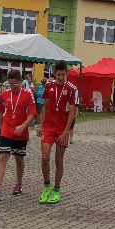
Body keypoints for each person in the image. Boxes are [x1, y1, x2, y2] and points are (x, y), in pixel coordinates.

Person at [0, 69, 37, 200]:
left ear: (21, 81)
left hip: (21, 132)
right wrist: (2, 126)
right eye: (10, 84)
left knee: (19, 159)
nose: (12, 87)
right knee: (3, 157)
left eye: (15, 84)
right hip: (7, 131)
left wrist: (23, 126)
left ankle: (18, 184)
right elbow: (0, 111)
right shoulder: (4, 95)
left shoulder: (28, 94)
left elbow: (32, 113)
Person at [36, 60, 79, 204]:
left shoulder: (72, 88)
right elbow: (44, 106)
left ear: (66, 74)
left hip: (62, 129)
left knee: (58, 160)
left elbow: (72, 112)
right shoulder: (49, 85)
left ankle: (56, 190)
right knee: (45, 158)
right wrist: (41, 125)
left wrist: (66, 133)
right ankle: (46, 187)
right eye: (58, 75)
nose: (61, 78)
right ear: (54, 73)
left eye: (63, 75)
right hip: (48, 127)